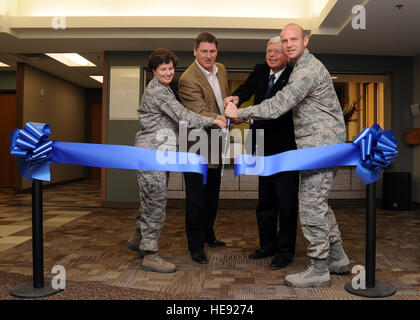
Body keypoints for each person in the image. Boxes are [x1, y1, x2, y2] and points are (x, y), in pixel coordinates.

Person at [225, 24, 351, 288]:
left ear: (306, 40)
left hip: (320, 146)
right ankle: (337, 258)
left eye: (294, 39)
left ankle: (319, 268)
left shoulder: (307, 70)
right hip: (315, 146)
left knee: (310, 203)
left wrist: (241, 114)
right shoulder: (301, 68)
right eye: (285, 40)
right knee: (318, 202)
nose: (288, 44)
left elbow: (279, 104)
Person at [124, 48, 226, 273]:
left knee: (150, 198)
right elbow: (183, 115)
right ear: (154, 71)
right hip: (153, 154)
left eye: (170, 68)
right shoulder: (158, 92)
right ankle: (150, 254)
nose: (168, 72)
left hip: (162, 153)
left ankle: (137, 239)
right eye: (163, 69)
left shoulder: (165, 88)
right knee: (156, 203)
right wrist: (214, 120)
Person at [223, 36, 299, 270]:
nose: (273, 55)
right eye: (269, 51)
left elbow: (279, 109)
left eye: (278, 51)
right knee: (265, 199)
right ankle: (267, 245)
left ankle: (284, 252)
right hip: (261, 144)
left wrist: (244, 114)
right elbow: (246, 89)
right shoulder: (260, 70)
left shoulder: (294, 75)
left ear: (286, 54)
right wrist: (236, 97)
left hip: (286, 147)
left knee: (286, 202)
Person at [178, 32, 229, 264]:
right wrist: (225, 117)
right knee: (196, 198)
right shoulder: (188, 78)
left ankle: (209, 234)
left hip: (216, 142)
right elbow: (199, 112)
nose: (209, 56)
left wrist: (231, 104)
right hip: (196, 144)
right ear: (195, 51)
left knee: (212, 194)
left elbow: (223, 99)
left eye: (212, 51)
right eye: (204, 51)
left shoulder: (222, 69)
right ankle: (196, 246)